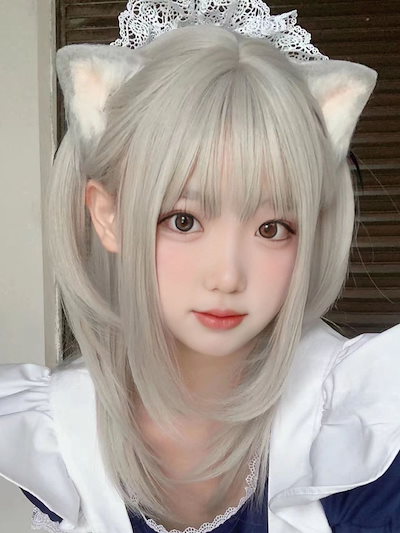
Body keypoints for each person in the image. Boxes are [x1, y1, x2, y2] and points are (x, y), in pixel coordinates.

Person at [1, 1, 399, 532]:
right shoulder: (58, 435)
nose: (228, 277)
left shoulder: (361, 424)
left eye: (272, 228)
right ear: (108, 216)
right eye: (184, 221)